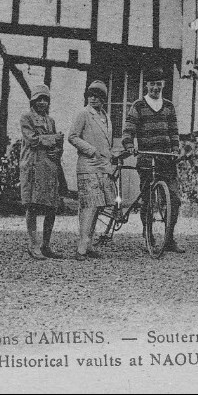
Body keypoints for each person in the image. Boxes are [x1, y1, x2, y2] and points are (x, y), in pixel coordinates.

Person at [121, 67, 184, 253]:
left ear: (163, 85)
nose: (155, 88)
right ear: (146, 85)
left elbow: (173, 131)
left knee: (174, 199)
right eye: (152, 84)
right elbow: (129, 129)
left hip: (166, 160)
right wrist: (128, 144)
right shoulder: (138, 106)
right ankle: (148, 236)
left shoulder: (169, 106)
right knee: (148, 200)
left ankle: (169, 238)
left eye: (158, 84)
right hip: (147, 160)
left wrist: (175, 148)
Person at [68, 80, 113, 260]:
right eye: (91, 95)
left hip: (102, 167)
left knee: (98, 206)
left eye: (98, 96)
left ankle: (89, 245)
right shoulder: (83, 114)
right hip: (87, 166)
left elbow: (106, 142)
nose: (93, 99)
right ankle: (81, 248)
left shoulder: (106, 117)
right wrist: (90, 149)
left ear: (103, 99)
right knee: (89, 205)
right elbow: (72, 136)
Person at [19, 84, 65, 260]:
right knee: (32, 205)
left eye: (45, 99)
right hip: (33, 166)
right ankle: (33, 244)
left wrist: (58, 150)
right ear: (33, 101)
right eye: (39, 99)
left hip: (50, 167)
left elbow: (58, 144)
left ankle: (46, 245)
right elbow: (32, 140)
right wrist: (53, 139)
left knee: (51, 206)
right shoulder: (26, 118)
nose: (42, 103)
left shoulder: (50, 121)